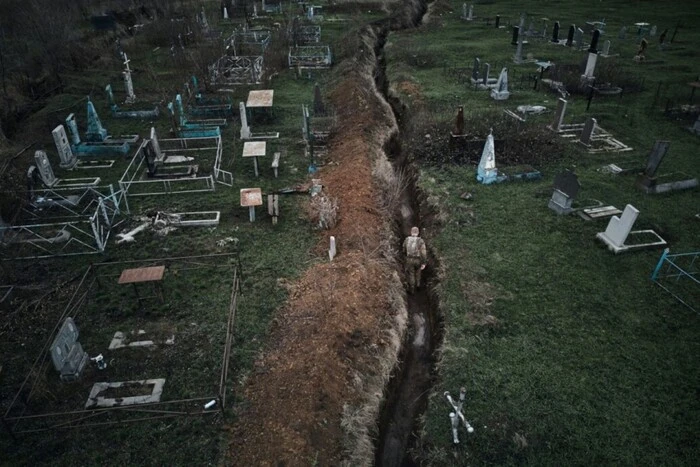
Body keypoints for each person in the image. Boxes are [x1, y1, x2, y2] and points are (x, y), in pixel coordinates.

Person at [403, 226, 427, 293]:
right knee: (418, 273)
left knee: (411, 274)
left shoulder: (407, 239)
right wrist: (424, 262)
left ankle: (412, 289)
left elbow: (404, 249)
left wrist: (405, 256)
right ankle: (418, 285)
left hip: (409, 259)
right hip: (418, 259)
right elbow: (423, 252)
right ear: (418, 232)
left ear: (411, 232)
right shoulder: (420, 241)